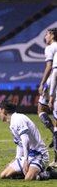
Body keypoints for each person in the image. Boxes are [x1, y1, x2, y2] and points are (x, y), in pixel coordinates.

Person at [0, 100, 49, 181]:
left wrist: (25, 160)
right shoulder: (12, 123)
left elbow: (26, 140)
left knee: (28, 179)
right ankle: (28, 171)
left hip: (39, 154)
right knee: (3, 175)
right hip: (28, 155)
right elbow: (20, 144)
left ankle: (47, 174)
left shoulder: (18, 119)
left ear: (4, 111)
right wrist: (17, 158)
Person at [38, 28, 57, 167]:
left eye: (47, 34)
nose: (45, 36)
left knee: (41, 109)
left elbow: (49, 67)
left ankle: (53, 133)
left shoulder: (50, 47)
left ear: (52, 35)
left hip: (52, 83)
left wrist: (42, 83)